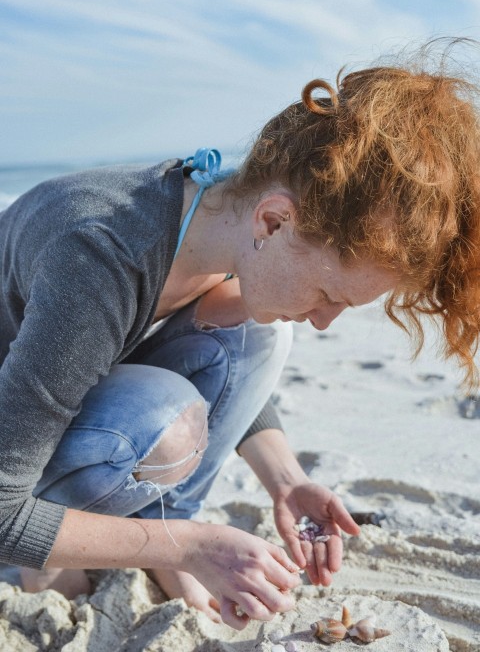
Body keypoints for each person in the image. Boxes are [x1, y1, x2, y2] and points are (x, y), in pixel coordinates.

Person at [1, 39, 479, 630]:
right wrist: (188, 544)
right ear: (273, 220)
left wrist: (288, 481)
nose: (327, 321)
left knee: (262, 331)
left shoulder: (218, 213)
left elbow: (227, 368)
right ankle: (55, 562)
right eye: (329, 295)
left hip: (70, 386)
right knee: (165, 425)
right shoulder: (101, 259)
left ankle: (161, 539)